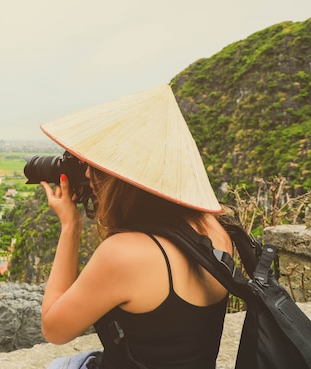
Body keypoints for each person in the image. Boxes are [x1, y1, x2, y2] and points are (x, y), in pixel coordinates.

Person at [38, 84, 232, 369]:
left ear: (123, 179)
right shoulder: (215, 229)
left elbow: (54, 328)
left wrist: (70, 226)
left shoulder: (125, 254)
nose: (89, 173)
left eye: (99, 166)